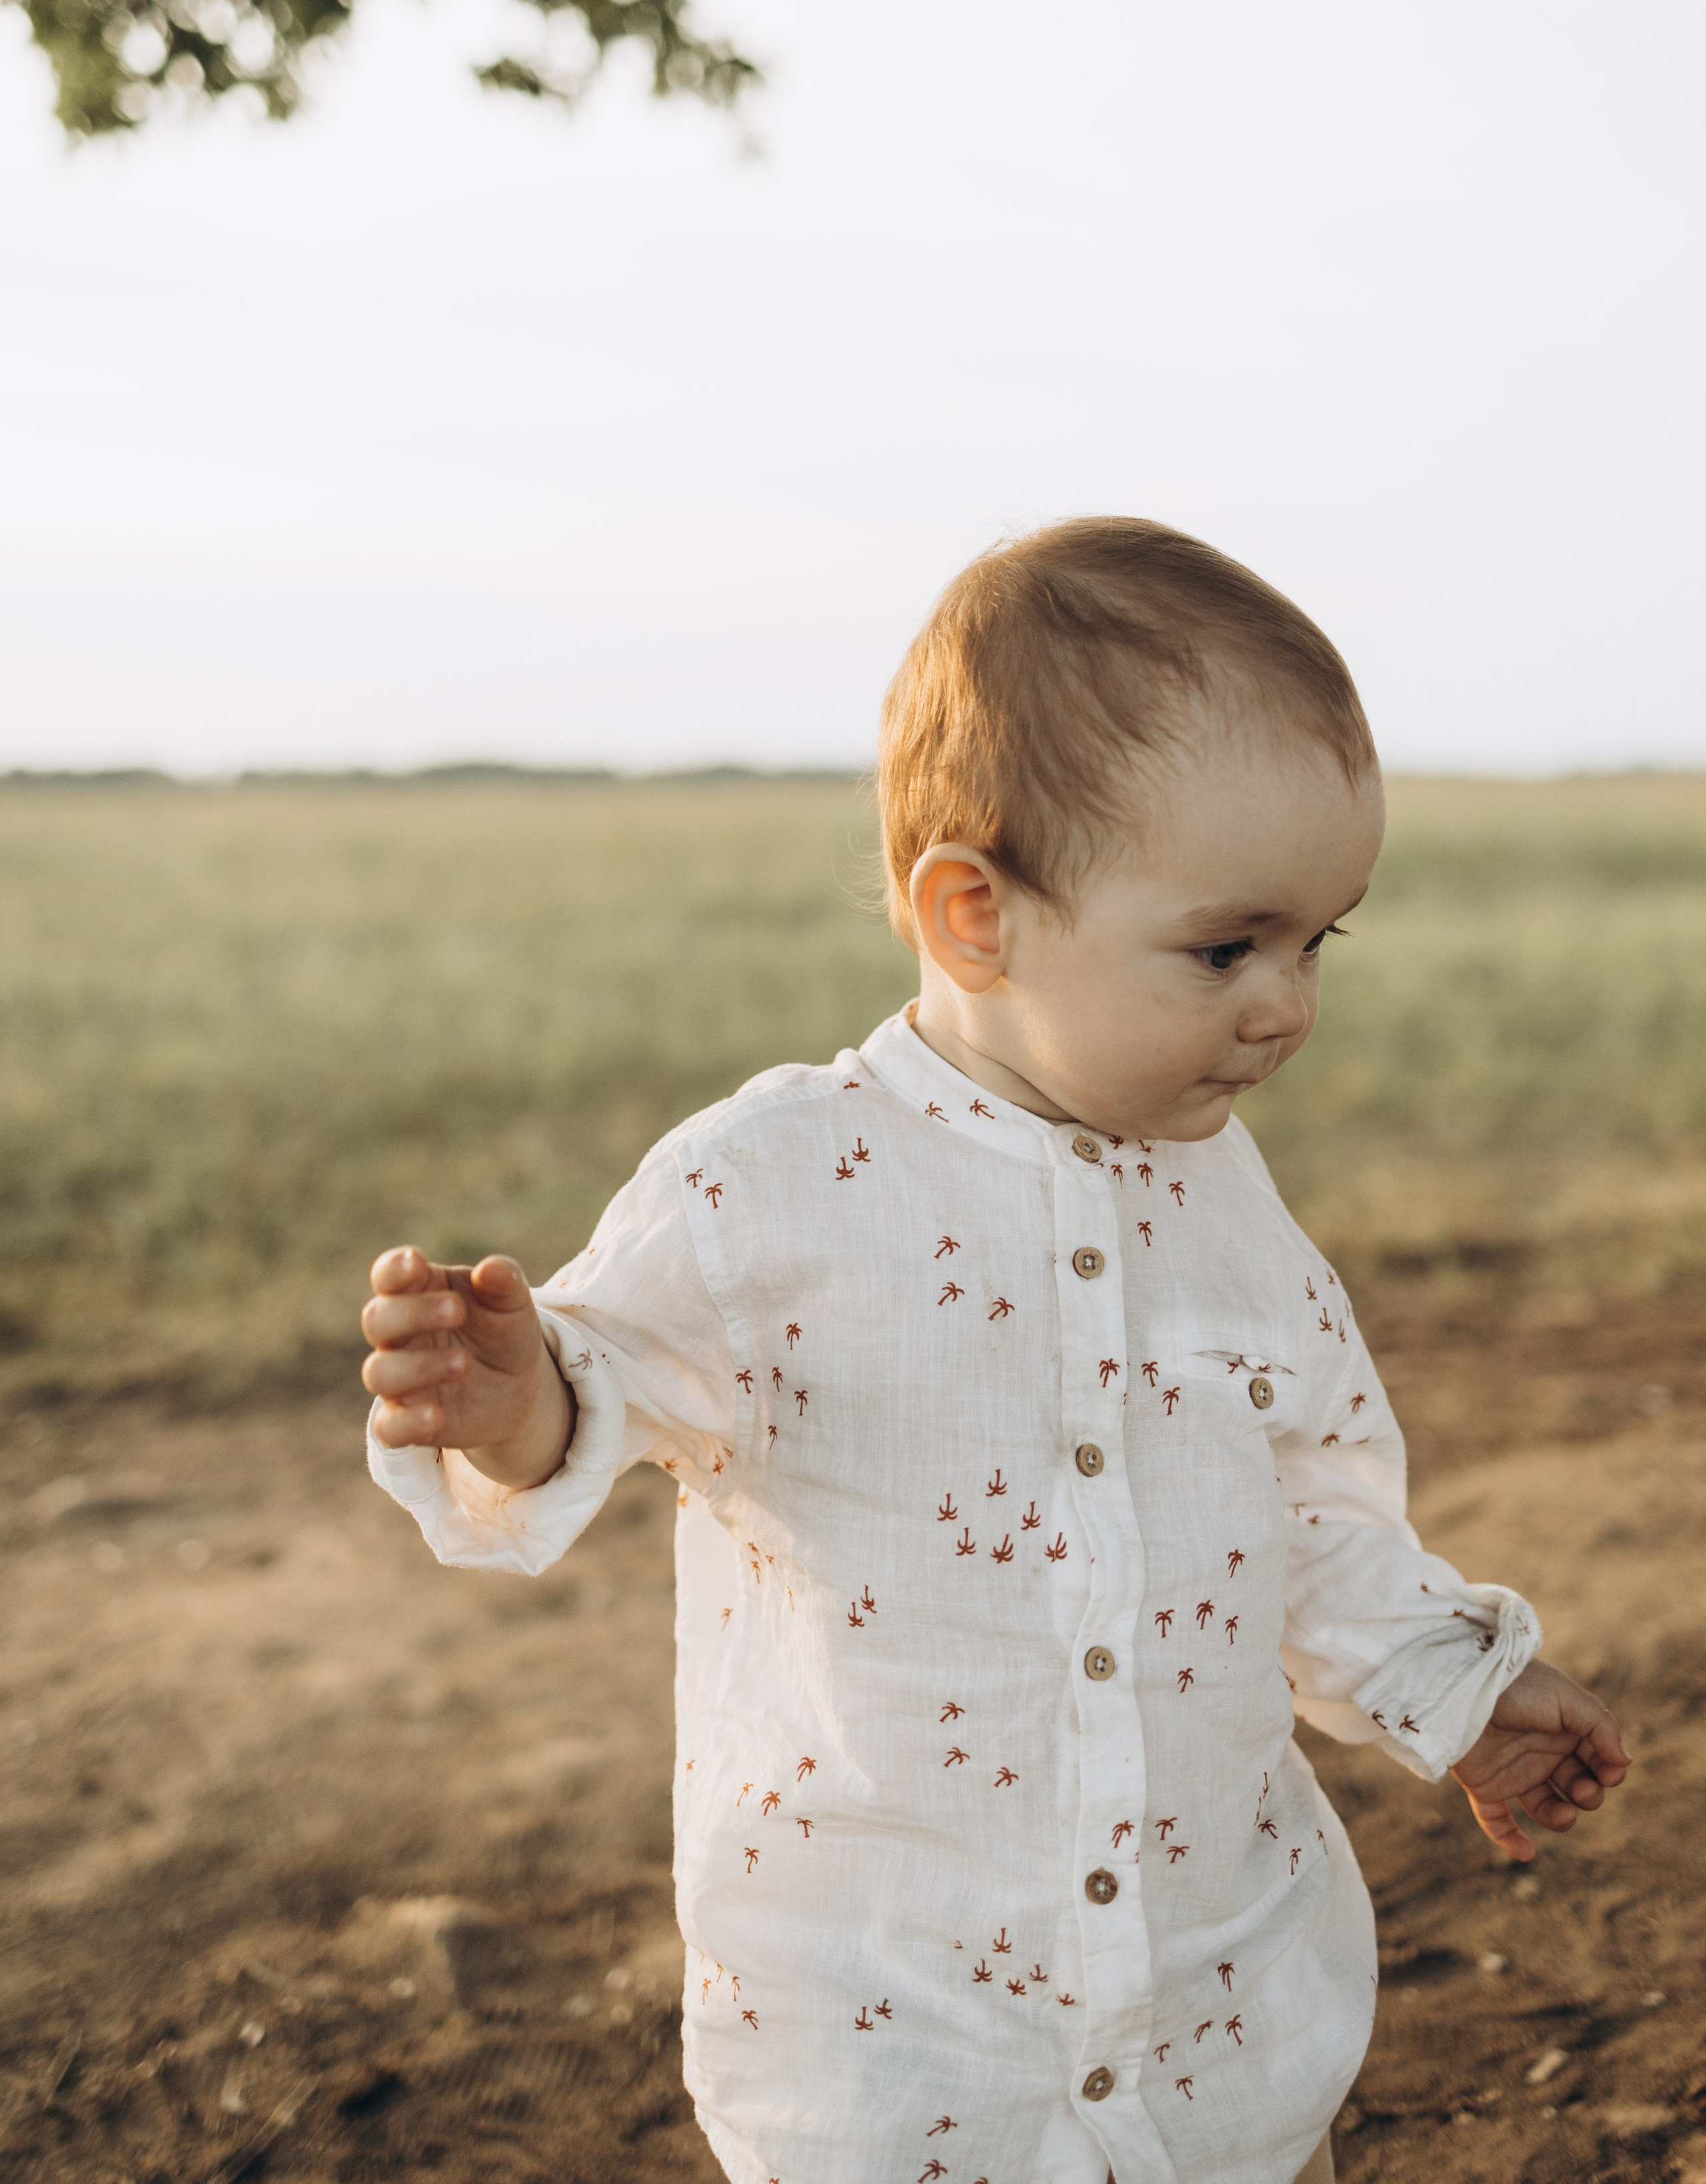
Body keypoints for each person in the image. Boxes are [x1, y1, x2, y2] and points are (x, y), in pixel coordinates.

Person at [361, 518, 1628, 2184]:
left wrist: (1459, 1690)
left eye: (1318, 943)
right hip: (896, 2042)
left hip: (1215, 2016)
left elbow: (1305, 1525)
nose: (1287, 1005)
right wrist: (518, 1399)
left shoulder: (1238, 1227)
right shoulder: (771, 1188)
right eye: (1224, 948)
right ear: (974, 917)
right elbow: (599, 1387)